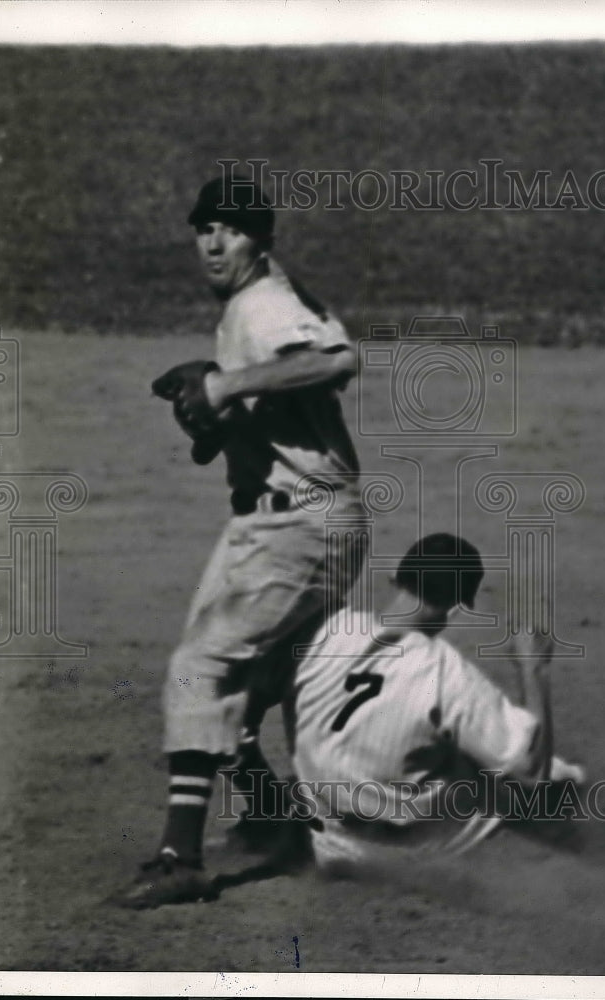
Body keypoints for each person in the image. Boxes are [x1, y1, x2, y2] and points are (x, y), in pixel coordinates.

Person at [116, 174, 368, 909]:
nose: (213, 242)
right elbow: (291, 393)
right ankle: (275, 824)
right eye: (203, 228)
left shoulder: (263, 304)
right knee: (246, 686)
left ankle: (180, 858)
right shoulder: (260, 298)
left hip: (303, 523)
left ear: (259, 239)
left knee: (202, 666)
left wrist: (226, 390)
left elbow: (336, 359)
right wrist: (232, 422)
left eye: (229, 228)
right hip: (278, 521)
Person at [279, 532, 584, 872]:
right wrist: (534, 669)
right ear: (455, 609)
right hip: (407, 851)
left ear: (397, 579)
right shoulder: (446, 674)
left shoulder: (325, 630)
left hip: (326, 836)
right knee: (551, 781)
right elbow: (530, 772)